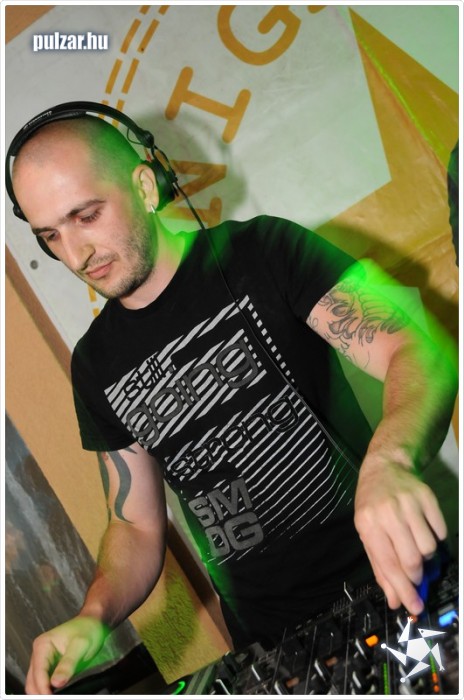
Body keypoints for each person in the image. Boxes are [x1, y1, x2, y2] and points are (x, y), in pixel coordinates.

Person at [7, 110, 457, 695]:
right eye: (50, 236)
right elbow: (134, 522)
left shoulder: (262, 251)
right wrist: (94, 615)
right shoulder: (95, 364)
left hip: (399, 583)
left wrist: (389, 460)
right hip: (271, 646)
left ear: (146, 185)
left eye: (86, 216)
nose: (76, 254)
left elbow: (414, 350)